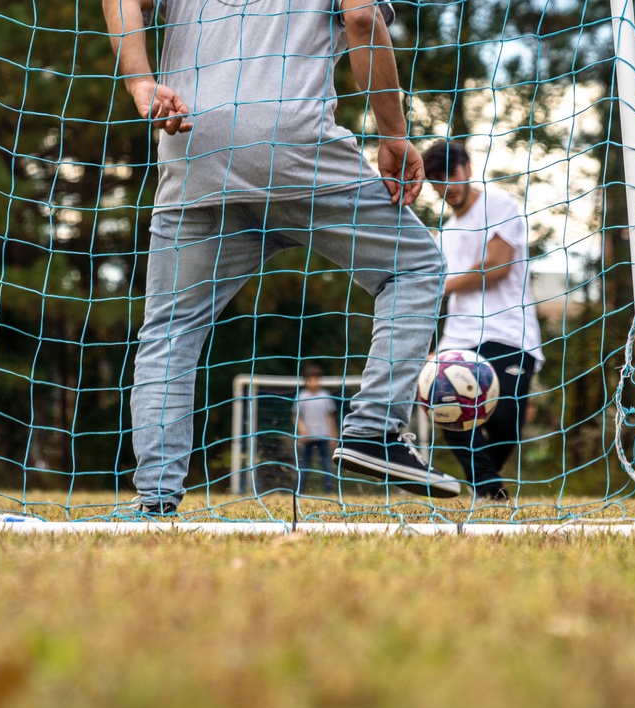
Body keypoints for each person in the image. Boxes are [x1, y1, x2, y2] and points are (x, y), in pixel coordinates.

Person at [104, 0, 461, 514]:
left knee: (170, 331)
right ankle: (373, 430)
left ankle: (156, 498)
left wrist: (140, 81)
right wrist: (394, 136)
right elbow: (363, 18)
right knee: (416, 267)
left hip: (192, 146)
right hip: (292, 146)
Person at [420, 140, 544, 503]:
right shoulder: (444, 232)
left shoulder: (500, 205)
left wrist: (443, 286)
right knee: (445, 408)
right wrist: (432, 349)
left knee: (505, 420)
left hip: (508, 332)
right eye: (437, 179)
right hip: (458, 337)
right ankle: (489, 489)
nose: (448, 186)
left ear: (468, 169)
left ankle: (485, 485)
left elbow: (498, 267)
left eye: (452, 174)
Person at [293, 365, 338, 494]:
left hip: (323, 436)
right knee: (305, 465)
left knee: (326, 465)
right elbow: (296, 416)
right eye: (311, 379)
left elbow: (330, 417)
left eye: (316, 379)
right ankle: (300, 490)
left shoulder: (325, 396)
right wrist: (302, 431)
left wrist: (333, 435)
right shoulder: (301, 396)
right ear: (306, 381)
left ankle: (328, 491)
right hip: (307, 438)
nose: (314, 382)